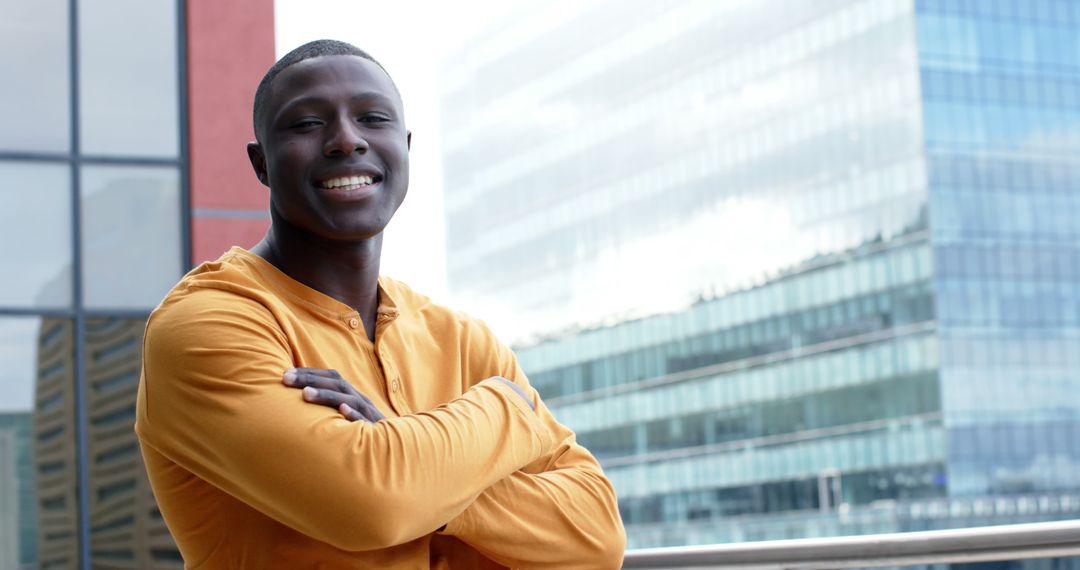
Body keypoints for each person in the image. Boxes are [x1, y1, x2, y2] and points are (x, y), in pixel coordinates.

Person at [134, 39, 626, 569]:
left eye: (372, 118)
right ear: (262, 164)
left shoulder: (459, 339)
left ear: (405, 146)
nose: (347, 140)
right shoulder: (209, 322)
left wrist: (411, 460)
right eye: (306, 124)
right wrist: (506, 406)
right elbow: (371, 504)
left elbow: (596, 536)